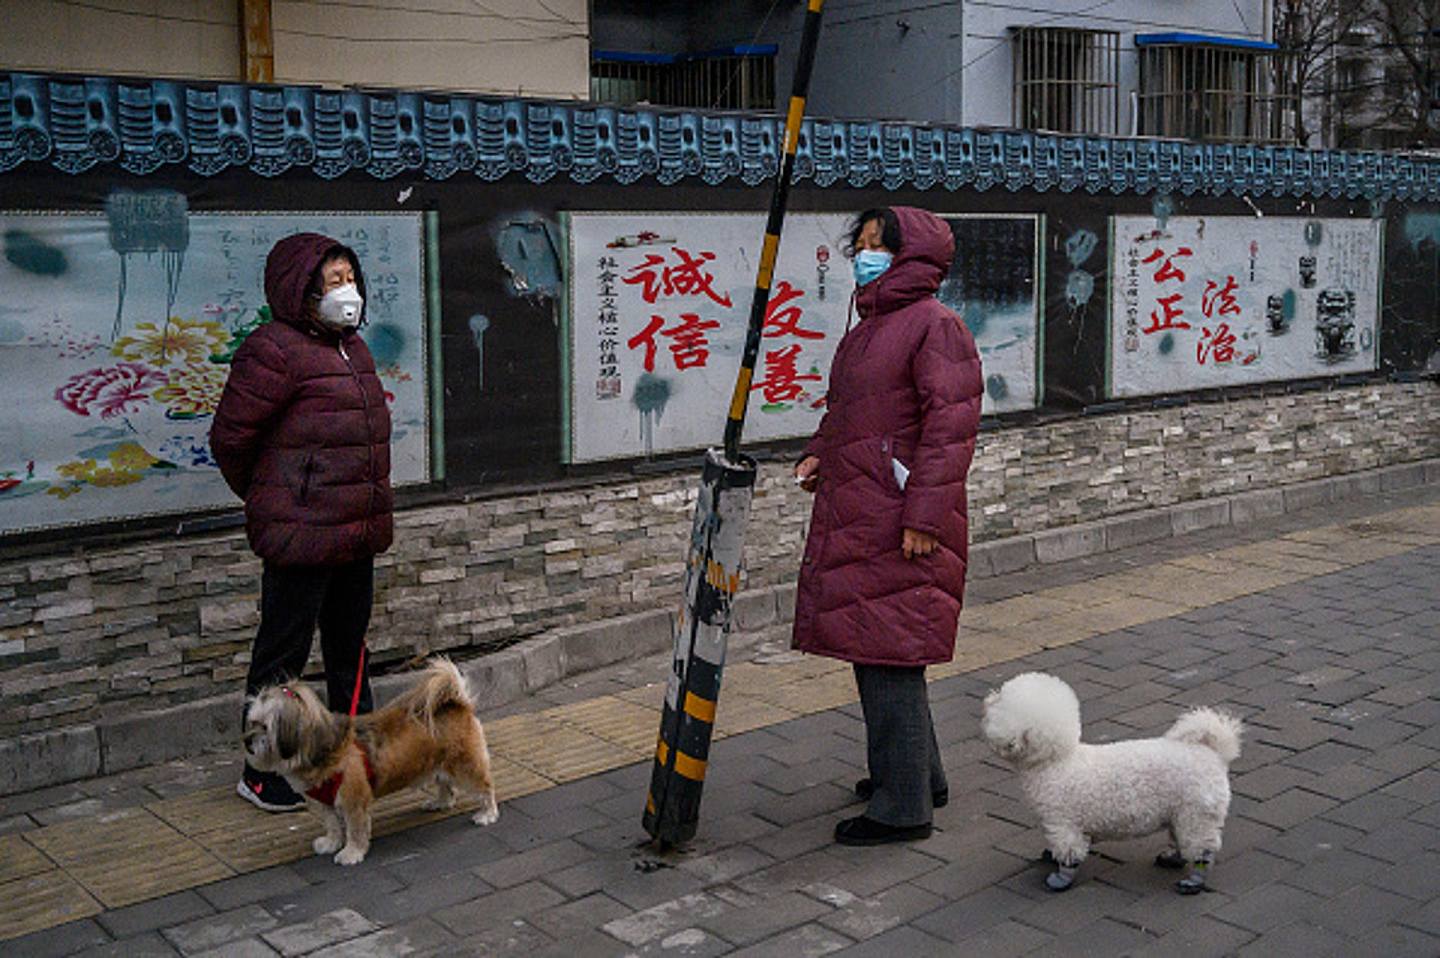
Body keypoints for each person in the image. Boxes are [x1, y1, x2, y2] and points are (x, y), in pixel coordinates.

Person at [792, 206, 983, 846]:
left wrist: (925, 517)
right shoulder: (871, 327)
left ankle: (902, 809)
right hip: (865, 508)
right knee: (886, 648)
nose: (866, 254)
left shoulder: (935, 326)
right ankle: (918, 778)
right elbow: (849, 410)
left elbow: (951, 429)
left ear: (913, 256)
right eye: (864, 244)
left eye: (880, 245)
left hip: (901, 515)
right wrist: (820, 451)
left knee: (889, 653)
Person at [211, 233, 394, 812]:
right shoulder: (273, 349)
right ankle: (261, 771)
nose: (348, 291)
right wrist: (275, 497)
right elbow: (231, 440)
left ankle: (355, 755)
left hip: (353, 531)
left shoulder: (353, 348)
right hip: (300, 534)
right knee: (281, 658)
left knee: (350, 649)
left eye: (350, 278)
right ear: (302, 289)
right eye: (334, 281)